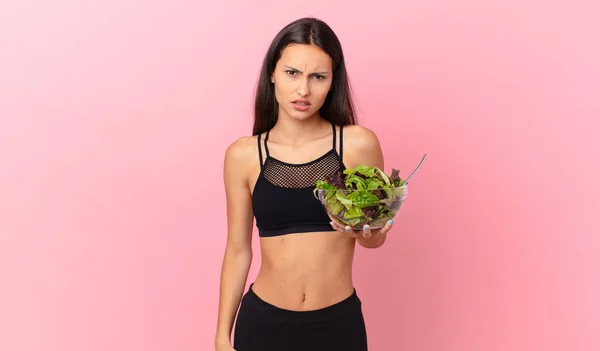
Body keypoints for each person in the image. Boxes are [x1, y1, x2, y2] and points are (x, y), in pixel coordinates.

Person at [215, 17, 395, 351]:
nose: (303, 90)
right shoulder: (244, 155)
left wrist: (371, 234)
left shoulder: (357, 145)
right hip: (262, 325)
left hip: (337, 326)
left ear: (332, 82)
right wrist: (221, 336)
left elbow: (373, 236)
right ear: (273, 73)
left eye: (318, 77)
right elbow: (238, 250)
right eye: (292, 73)